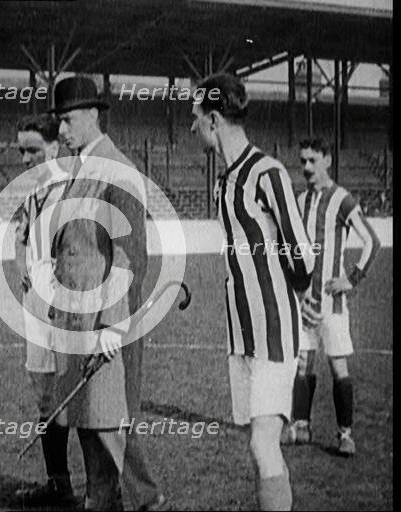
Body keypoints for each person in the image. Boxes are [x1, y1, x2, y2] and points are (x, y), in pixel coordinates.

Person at [190, 73, 315, 511]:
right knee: (256, 444)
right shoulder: (224, 182)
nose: (192, 126)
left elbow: (301, 253)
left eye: (196, 116)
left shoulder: (268, 173)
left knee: (264, 444)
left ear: (215, 119)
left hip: (274, 329)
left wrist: (297, 296)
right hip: (240, 332)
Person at [49, 76, 165, 511]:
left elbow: (128, 256)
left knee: (112, 421)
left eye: (68, 120)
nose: (61, 130)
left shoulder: (118, 170)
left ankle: (149, 502)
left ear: (94, 116)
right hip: (75, 318)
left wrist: (113, 324)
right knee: (86, 416)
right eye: (59, 121)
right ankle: (100, 498)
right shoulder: (78, 169)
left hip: (106, 322)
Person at [282, 138, 380, 456]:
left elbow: (371, 242)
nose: (307, 168)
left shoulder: (342, 200)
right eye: (302, 162)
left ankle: (345, 434)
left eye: (312, 160)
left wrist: (351, 279)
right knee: (303, 365)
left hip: (332, 303)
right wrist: (296, 290)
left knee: (339, 366)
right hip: (305, 301)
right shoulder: (298, 201)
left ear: (327, 160)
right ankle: (301, 426)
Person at [13, 113, 74, 507]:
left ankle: (109, 489)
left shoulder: (73, 190)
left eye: (32, 150)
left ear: (54, 147)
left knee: (78, 397)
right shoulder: (31, 194)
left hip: (67, 306)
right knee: (45, 395)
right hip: (35, 305)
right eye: (20, 151)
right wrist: (24, 265)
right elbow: (21, 237)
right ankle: (58, 483)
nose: (24, 159)